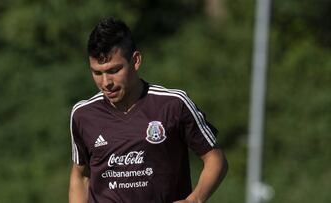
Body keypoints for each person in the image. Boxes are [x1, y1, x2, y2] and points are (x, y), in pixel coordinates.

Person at [68, 17, 228, 203]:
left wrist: (195, 199)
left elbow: (215, 159)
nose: (106, 83)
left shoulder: (173, 104)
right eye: (97, 72)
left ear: (135, 61)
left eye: (114, 70)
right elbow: (81, 175)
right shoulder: (83, 114)